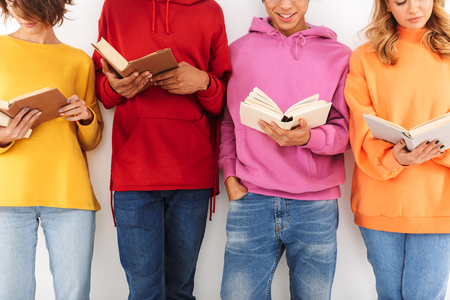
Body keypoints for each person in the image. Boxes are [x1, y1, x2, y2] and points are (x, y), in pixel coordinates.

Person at [92, 0, 231, 299]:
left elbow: (222, 102)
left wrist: (203, 82)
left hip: (192, 172)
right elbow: (101, 90)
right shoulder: (115, 7)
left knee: (180, 291)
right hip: (134, 172)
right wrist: (116, 88)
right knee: (144, 293)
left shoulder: (210, 10)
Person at [219, 0, 351, 299]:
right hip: (252, 198)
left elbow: (345, 132)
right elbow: (228, 122)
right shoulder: (238, 50)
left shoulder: (338, 55)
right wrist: (229, 173)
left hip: (315, 206)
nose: (286, 5)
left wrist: (308, 138)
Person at [345, 0, 450, 298]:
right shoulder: (364, 57)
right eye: (401, 1)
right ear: (387, 5)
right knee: (389, 295)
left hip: (438, 202)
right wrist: (394, 157)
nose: (414, 9)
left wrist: (434, 149)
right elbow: (360, 127)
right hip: (380, 199)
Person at [0, 0, 104, 299]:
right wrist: (6, 136)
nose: (20, 13)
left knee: (75, 294)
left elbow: (92, 140)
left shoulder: (78, 61)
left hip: (68, 193)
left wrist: (85, 116)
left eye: (28, 5)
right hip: (8, 195)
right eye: (11, 3)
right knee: (11, 294)